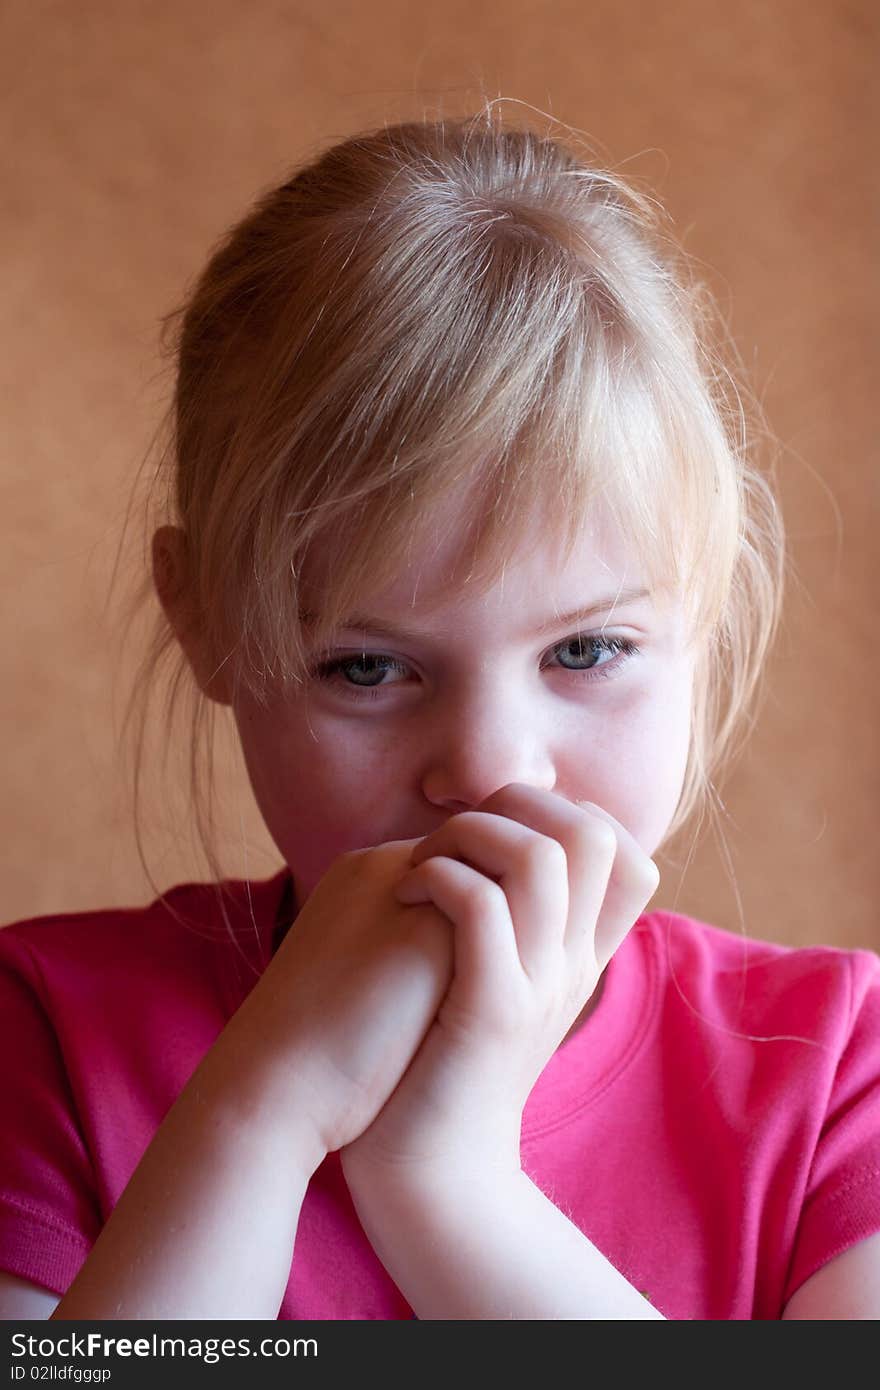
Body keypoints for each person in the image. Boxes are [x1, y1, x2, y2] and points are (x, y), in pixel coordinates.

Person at [1, 106, 878, 1323]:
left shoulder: (840, 1073)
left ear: (704, 614)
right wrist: (261, 1108)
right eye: (367, 669)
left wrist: (447, 1183)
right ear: (203, 620)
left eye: (584, 649)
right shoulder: (43, 1029)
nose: (487, 767)